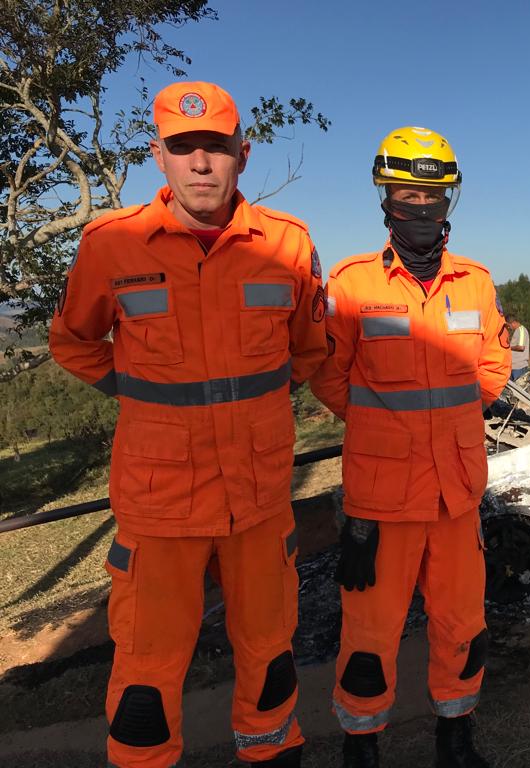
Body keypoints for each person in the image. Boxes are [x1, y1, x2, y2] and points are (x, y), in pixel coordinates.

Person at [49, 81, 327, 768]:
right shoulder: (111, 245)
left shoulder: (288, 246)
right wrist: (139, 394)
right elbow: (73, 341)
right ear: (159, 157)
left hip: (259, 502)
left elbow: (310, 348)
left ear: (243, 154)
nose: (201, 162)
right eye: (184, 147)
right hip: (159, 505)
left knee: (271, 663)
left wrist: (259, 406)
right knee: (145, 682)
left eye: (216, 147)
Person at [310, 126, 510, 768]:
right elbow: (329, 376)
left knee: (462, 629)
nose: (420, 206)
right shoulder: (352, 283)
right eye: (406, 191)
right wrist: (385, 432)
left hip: (456, 499)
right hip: (381, 503)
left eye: (432, 193)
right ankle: (361, 747)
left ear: (450, 198)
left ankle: (456, 739)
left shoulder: (476, 284)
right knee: (369, 636)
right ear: (384, 197)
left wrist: (448, 424)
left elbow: (492, 366)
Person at [507, 314, 530, 380]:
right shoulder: (517, 331)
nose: (509, 327)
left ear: (513, 323)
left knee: (519, 387)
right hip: (514, 366)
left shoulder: (522, 331)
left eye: (509, 325)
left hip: (519, 366)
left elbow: (521, 347)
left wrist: (509, 347)